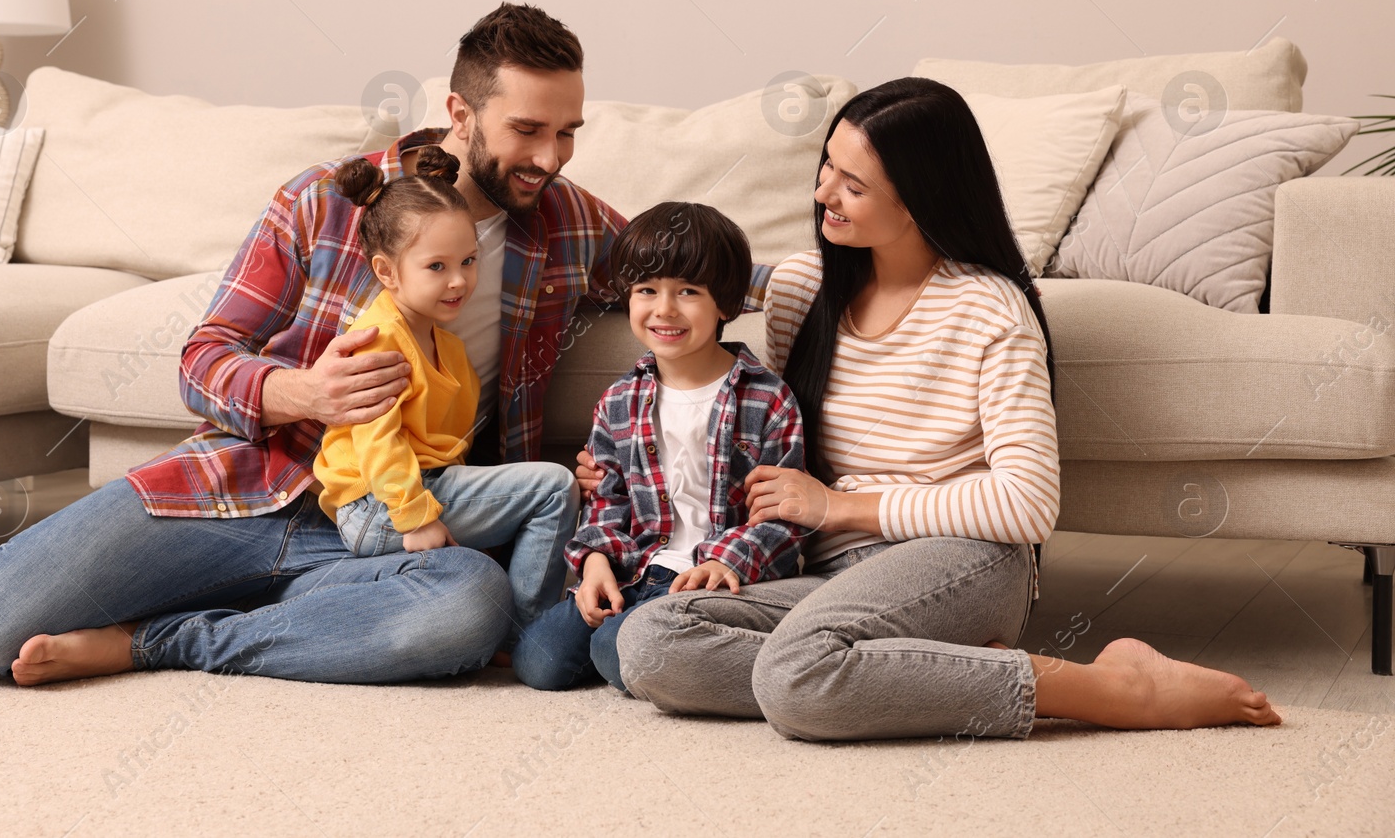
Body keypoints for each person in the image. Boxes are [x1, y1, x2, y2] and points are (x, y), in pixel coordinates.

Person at [0, 3, 719, 688]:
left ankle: (156, 638)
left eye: (568, 132)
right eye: (529, 129)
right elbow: (203, 356)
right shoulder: (327, 199)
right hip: (245, 487)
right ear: (460, 109)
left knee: (468, 613)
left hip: (392, 523)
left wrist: (807, 279)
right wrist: (302, 394)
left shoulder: (568, 225)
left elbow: (691, 267)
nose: (551, 156)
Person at [597, 78, 1281, 739]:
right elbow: (676, 294)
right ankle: (932, 665)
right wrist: (623, 457)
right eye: (827, 166)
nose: (822, 193)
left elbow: (1027, 505)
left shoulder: (989, 308)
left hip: (965, 560)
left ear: (921, 201)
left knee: (796, 674)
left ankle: (1112, 687)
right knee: (652, 640)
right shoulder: (802, 289)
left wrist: (838, 508)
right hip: (834, 571)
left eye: (852, 185)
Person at [513, 202, 806, 692]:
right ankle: (628, 639)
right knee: (538, 662)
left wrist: (723, 561)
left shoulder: (767, 399)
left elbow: (784, 515)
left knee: (613, 651)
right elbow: (607, 500)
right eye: (647, 290)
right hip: (638, 568)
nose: (664, 309)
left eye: (687, 292)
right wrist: (595, 565)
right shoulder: (619, 401)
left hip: (717, 576)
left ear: (726, 305)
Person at [316, 145, 576, 636]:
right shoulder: (377, 339)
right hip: (380, 503)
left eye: (469, 260)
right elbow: (378, 440)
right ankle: (528, 631)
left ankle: (500, 610)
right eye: (437, 267)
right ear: (387, 271)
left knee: (529, 496)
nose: (459, 281)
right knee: (554, 488)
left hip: (410, 492)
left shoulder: (448, 347)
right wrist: (414, 518)